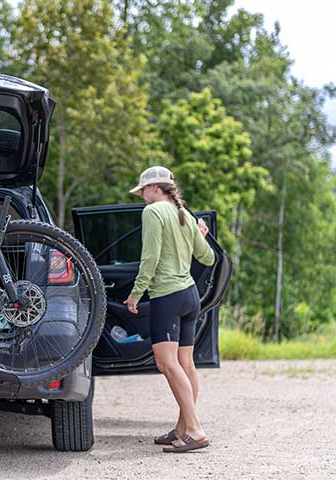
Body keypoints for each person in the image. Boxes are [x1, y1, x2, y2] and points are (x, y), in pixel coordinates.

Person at [122, 166, 216, 453]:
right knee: (185, 365)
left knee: (167, 364)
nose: (142, 197)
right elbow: (208, 257)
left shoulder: (153, 212)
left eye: (143, 191)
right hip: (190, 296)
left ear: (154, 188)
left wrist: (136, 293)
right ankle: (182, 429)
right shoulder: (184, 215)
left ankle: (196, 430)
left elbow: (149, 257)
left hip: (168, 296)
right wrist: (201, 234)